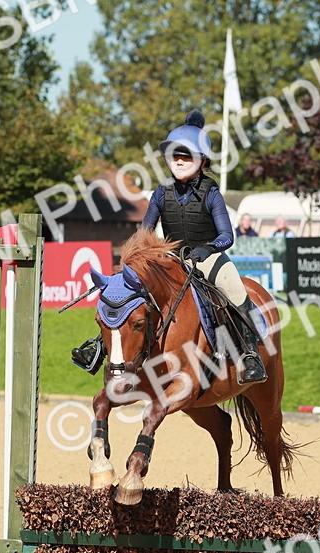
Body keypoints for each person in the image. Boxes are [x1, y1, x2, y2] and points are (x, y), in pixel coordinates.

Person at [72, 110, 266, 383]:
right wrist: (138, 258)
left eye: (186, 156)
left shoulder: (211, 193)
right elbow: (144, 232)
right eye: (175, 155)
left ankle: (250, 355)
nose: (180, 160)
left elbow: (227, 236)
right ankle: (98, 347)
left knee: (234, 290)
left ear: (202, 160)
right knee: (126, 292)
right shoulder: (161, 193)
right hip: (172, 259)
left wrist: (208, 249)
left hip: (209, 258)